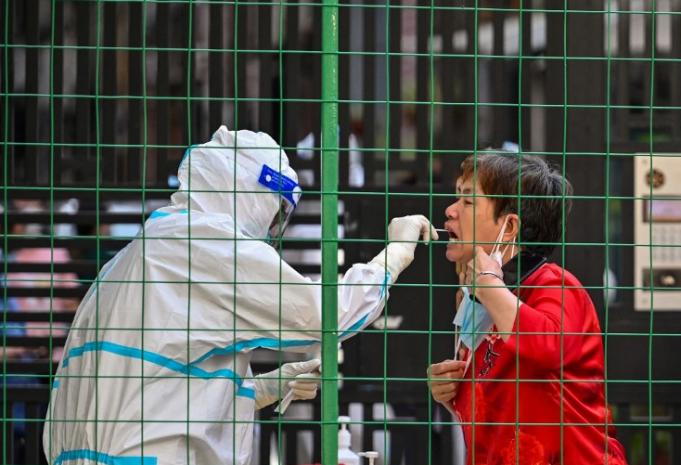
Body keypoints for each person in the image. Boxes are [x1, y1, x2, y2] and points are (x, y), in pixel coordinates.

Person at [43, 126, 437, 465]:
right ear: (252, 192)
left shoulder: (137, 254)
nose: (271, 228)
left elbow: (166, 382)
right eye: (275, 211)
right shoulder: (204, 243)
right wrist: (394, 257)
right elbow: (324, 315)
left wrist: (263, 387)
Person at [427, 152, 627, 465]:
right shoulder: (475, 296)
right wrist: (450, 391)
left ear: (509, 227)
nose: (450, 211)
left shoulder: (557, 285)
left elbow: (547, 346)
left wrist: (489, 284)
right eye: (456, 197)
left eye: (468, 201)